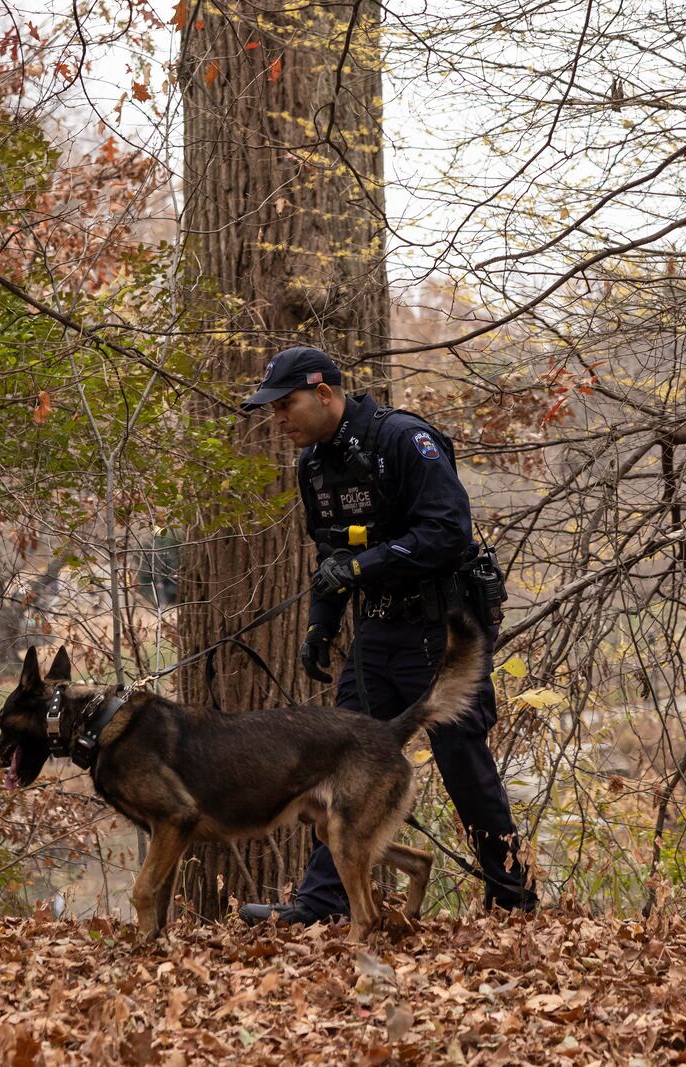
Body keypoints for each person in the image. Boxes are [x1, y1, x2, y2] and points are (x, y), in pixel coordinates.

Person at [236, 345, 538, 925]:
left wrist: (360, 567)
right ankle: (322, 904)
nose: (278, 419)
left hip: (442, 629)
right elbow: (331, 553)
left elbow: (447, 532)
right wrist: (321, 628)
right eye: (272, 410)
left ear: (324, 393)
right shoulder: (315, 465)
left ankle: (512, 903)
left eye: (286, 404)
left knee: (461, 763)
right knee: (338, 758)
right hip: (377, 629)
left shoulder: (402, 440)